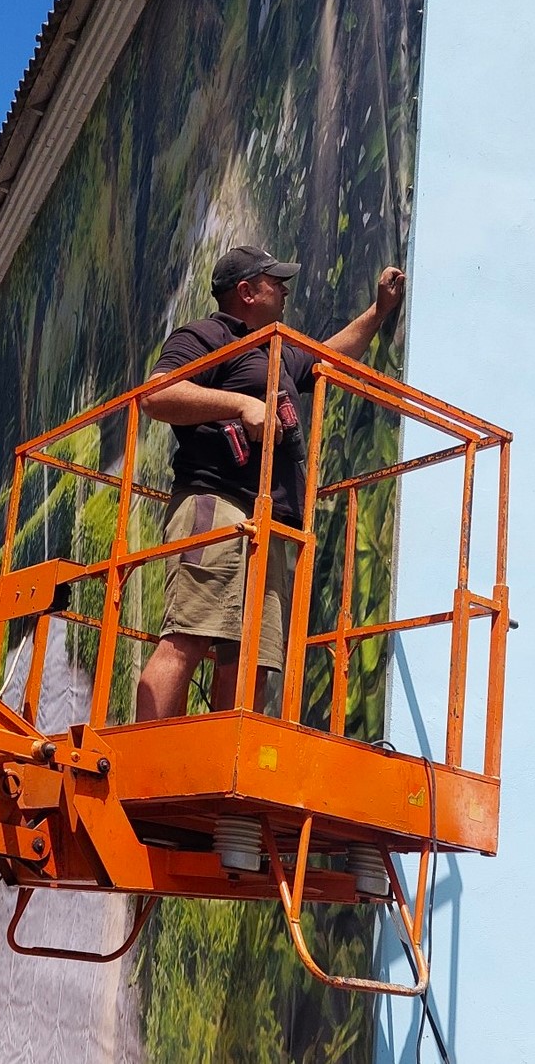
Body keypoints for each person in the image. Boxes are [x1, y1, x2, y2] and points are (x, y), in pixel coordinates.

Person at [134, 244, 406, 722]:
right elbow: (156, 395)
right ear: (245, 292)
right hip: (216, 504)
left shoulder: (275, 348)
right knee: (190, 633)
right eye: (274, 281)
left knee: (252, 655)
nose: (284, 290)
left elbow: (329, 358)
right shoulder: (207, 335)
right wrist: (241, 404)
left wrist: (378, 311)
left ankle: (225, 761)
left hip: (269, 518)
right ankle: (147, 753)